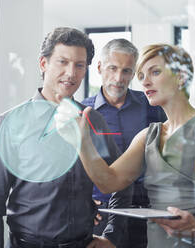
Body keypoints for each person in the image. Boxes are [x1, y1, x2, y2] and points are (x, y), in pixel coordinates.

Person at [56, 43, 195, 247]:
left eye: (155, 72)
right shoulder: (147, 135)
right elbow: (108, 182)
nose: (145, 82)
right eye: (141, 76)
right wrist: (82, 143)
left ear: (181, 77)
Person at [0, 27, 132, 248]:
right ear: (43, 64)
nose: (71, 73)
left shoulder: (93, 121)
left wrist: (112, 235)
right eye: (62, 62)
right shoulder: (10, 124)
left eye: (79, 65)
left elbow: (122, 182)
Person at [82, 38, 166, 248]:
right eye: (112, 68)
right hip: (100, 214)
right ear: (100, 67)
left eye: (127, 71)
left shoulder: (152, 107)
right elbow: (73, 166)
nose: (119, 78)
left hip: (144, 212)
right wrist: (81, 202)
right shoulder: (83, 112)